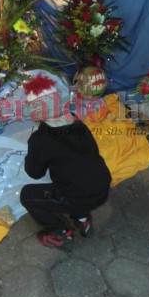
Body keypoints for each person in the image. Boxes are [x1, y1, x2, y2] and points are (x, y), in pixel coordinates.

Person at [20, 72, 111, 250]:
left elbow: (35, 173)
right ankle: (82, 219)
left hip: (78, 196)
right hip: (102, 187)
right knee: (77, 179)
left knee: (28, 195)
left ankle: (60, 231)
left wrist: (33, 153)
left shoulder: (40, 139)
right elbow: (91, 152)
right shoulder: (78, 125)